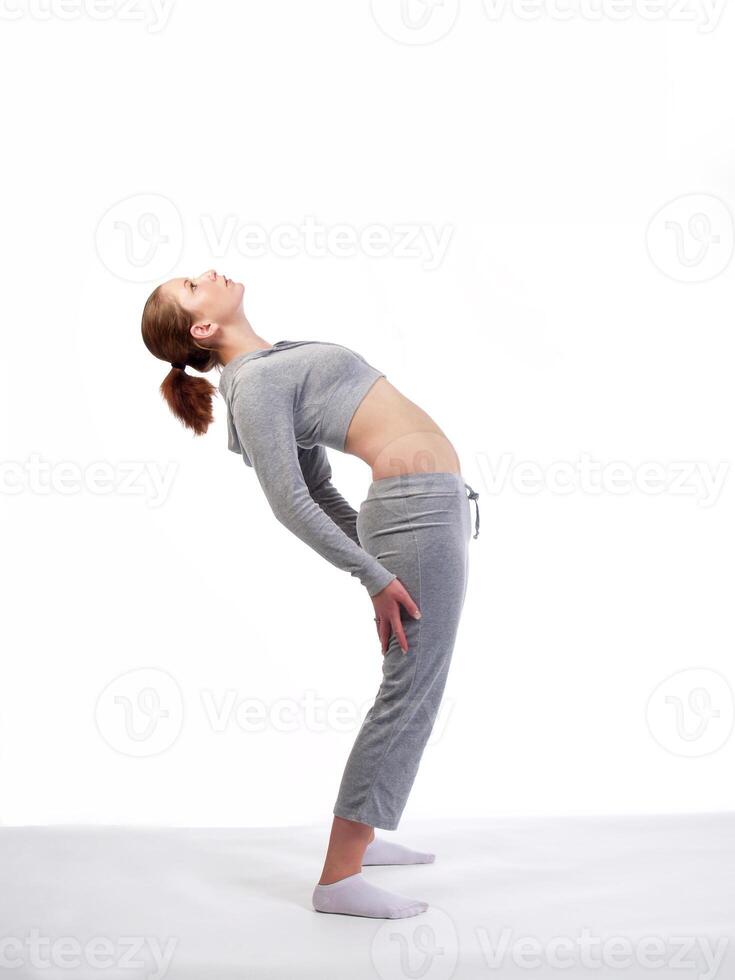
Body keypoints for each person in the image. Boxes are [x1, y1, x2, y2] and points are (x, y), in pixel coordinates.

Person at [141, 269, 480, 919]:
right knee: (412, 687)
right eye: (191, 285)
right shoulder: (255, 383)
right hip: (412, 509)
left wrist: (373, 555)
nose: (207, 273)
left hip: (419, 512)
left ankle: (365, 838)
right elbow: (288, 501)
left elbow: (318, 486)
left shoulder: (275, 360)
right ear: (202, 328)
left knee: (416, 681)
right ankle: (338, 878)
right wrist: (374, 573)